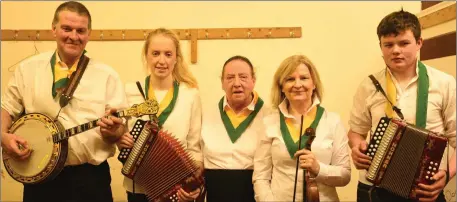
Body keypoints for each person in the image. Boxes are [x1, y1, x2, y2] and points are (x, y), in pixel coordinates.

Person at [1, 1, 127, 202]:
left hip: (90, 181)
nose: (73, 36)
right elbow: (7, 109)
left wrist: (114, 131)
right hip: (39, 182)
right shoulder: (28, 69)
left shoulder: (107, 76)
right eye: (67, 28)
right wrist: (3, 136)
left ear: (89, 34)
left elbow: (120, 130)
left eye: (81, 30)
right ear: (53, 29)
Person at [348, 9, 456, 202]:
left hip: (424, 189)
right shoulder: (368, 85)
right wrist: (357, 148)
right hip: (374, 187)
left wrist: (448, 174)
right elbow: (356, 132)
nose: (396, 50)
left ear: (419, 43)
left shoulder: (445, 83)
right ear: (380, 47)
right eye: (388, 45)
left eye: (404, 43)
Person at [116, 28, 203, 202]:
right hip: (138, 188)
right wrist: (119, 139)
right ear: (146, 56)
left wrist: (194, 186)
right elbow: (119, 134)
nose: (161, 61)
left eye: (168, 54)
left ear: (176, 58)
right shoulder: (129, 91)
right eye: (155, 53)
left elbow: (194, 147)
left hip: (176, 190)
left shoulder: (190, 95)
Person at [252, 55, 351, 201]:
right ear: (281, 86)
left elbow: (345, 175)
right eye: (290, 79)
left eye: (304, 78)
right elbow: (260, 176)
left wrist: (319, 169)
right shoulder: (269, 122)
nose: (297, 84)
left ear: (314, 84)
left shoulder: (332, 121)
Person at [201, 55, 266, 202]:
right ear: (222, 83)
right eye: (230, 78)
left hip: (254, 195)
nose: (237, 83)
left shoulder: (269, 116)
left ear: (253, 81)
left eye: (243, 77)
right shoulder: (206, 114)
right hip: (215, 194)